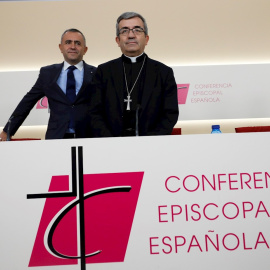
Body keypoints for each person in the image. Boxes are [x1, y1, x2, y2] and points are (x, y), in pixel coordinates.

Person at [90, 12, 179, 137]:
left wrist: (150, 142)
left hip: (151, 147)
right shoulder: (103, 72)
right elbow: (95, 113)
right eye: (124, 31)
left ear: (146, 39)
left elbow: (170, 114)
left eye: (137, 30)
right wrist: (110, 141)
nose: (131, 35)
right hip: (111, 147)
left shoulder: (163, 72)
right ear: (117, 40)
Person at [0, 28, 96, 141]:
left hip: (89, 137)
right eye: (68, 42)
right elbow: (27, 102)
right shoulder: (47, 73)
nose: (73, 46)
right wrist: (8, 130)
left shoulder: (96, 73)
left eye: (78, 43)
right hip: (56, 137)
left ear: (85, 49)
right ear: (61, 47)